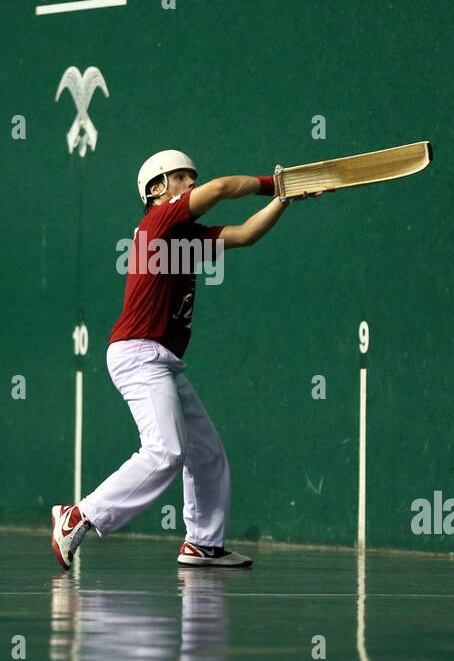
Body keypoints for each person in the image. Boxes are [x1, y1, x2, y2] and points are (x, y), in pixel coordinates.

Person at [51, 149, 321, 569]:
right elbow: (220, 189)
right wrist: (275, 182)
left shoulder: (186, 241)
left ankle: (203, 543)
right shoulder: (156, 223)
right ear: (157, 190)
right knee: (165, 452)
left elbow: (246, 234)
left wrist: (283, 200)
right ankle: (78, 515)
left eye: (192, 177)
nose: (192, 184)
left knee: (206, 454)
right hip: (138, 353)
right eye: (181, 178)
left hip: (161, 359)